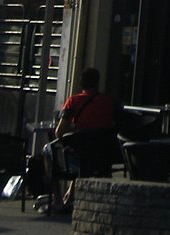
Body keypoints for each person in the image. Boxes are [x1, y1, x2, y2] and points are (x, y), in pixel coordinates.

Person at [45, 66, 119, 209]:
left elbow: (59, 133)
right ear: (98, 83)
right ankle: (70, 194)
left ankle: (57, 199)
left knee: (49, 150)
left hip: (80, 157)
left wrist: (73, 128)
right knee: (81, 148)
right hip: (102, 156)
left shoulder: (73, 101)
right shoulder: (109, 102)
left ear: (81, 84)